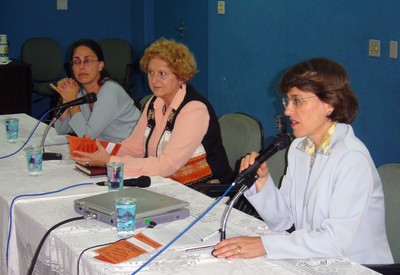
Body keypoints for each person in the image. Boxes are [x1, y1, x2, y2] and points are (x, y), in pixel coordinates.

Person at [212, 58, 394, 265]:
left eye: (298, 101)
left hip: (355, 266)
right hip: (313, 258)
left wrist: (264, 245)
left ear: (330, 104)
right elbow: (283, 220)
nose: (288, 111)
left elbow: (335, 242)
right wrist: (261, 184)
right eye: (287, 101)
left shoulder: (352, 158)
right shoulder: (300, 148)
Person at [71, 38, 233, 188]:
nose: (154, 80)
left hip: (206, 191)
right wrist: (99, 152)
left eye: (162, 73)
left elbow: (167, 165)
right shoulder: (154, 102)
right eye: (150, 72)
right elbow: (134, 148)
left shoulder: (194, 109)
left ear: (181, 76)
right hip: (168, 184)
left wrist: (110, 161)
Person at [50, 39, 140, 143]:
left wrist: (72, 101)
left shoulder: (110, 90)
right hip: (107, 149)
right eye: (76, 62)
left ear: (100, 65)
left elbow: (87, 136)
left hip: (132, 151)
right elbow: (62, 130)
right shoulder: (80, 92)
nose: (82, 67)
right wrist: (67, 100)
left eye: (88, 61)